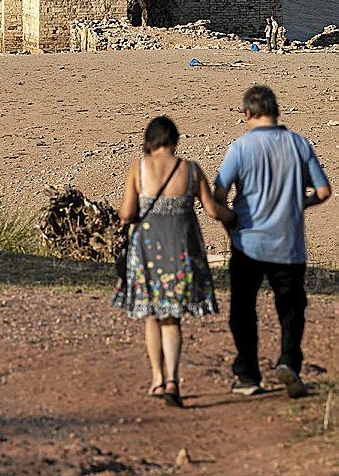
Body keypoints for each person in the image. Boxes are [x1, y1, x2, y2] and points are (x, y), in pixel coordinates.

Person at [214, 85, 331, 398]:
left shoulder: (241, 148)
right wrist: (296, 204)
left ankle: (248, 374)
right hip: (288, 244)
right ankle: (289, 362)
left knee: (243, 310)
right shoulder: (299, 144)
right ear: (276, 111)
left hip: (248, 243)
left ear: (247, 113)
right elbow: (323, 191)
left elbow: (219, 194)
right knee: (291, 309)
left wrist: (230, 221)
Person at [112, 115, 235, 406]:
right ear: (174, 139)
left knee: (151, 315)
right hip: (180, 253)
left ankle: (157, 379)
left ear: (149, 140)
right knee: (172, 318)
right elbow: (213, 210)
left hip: (147, 254)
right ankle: (172, 381)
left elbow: (126, 214)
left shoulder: (139, 168)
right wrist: (239, 218)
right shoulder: (190, 170)